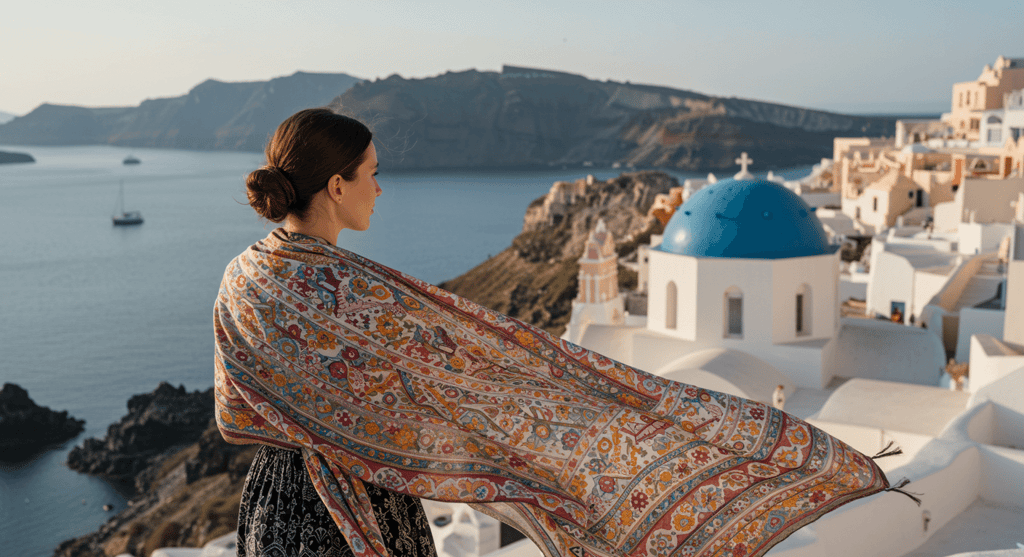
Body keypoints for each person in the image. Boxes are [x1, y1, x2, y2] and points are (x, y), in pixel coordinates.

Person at [215, 108, 895, 557]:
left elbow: (233, 413)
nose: (380, 190)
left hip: (272, 506)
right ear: (336, 186)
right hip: (358, 511)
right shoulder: (355, 293)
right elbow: (483, 364)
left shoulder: (240, 278)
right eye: (372, 176)